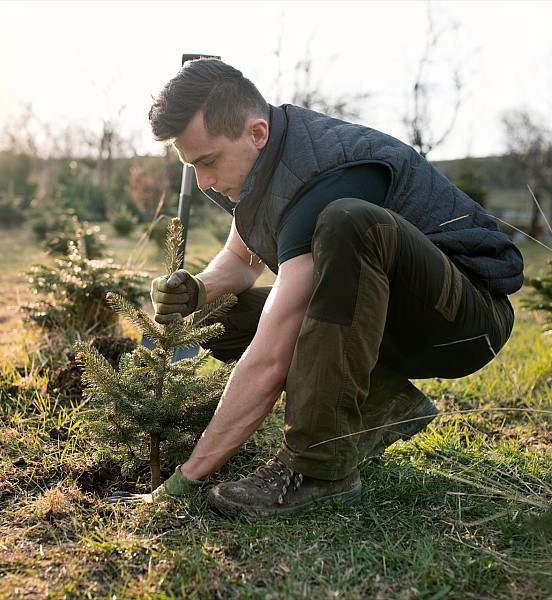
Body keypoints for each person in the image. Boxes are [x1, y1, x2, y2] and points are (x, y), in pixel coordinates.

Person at [140, 57, 523, 518]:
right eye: (191, 166)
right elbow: (242, 260)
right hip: (387, 314)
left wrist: (189, 476)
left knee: (348, 221)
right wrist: (197, 291)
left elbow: (271, 356)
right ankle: (383, 403)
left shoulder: (322, 173)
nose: (203, 182)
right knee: (218, 315)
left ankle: (318, 468)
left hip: (463, 319)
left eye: (208, 161)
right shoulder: (265, 161)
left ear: (256, 133)